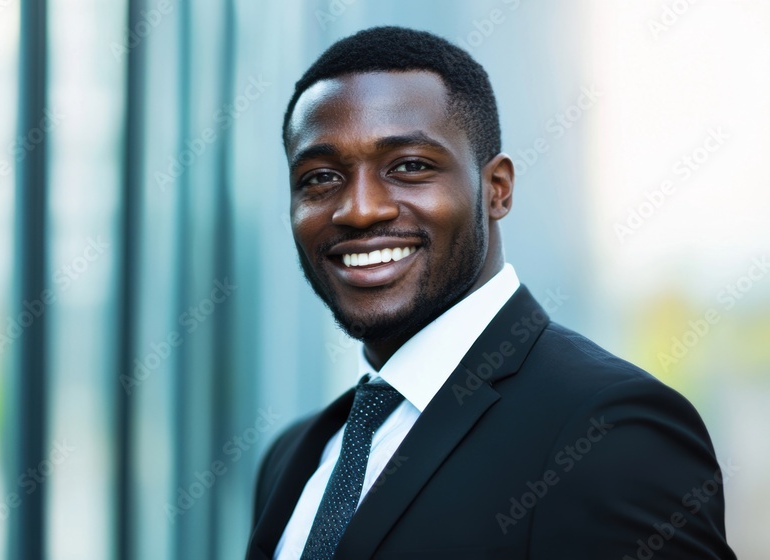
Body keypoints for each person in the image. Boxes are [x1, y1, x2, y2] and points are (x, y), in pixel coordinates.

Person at [246, 26, 734, 560]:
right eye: (319, 177)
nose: (360, 209)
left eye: (410, 166)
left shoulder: (608, 430)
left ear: (496, 189)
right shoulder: (295, 456)